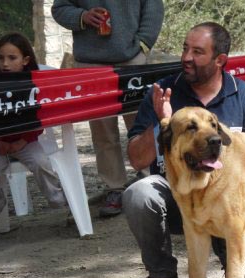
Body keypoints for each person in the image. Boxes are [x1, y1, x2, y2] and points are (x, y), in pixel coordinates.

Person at [123, 22, 245, 278]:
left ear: (220, 60)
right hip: (176, 196)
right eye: (185, 49)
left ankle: (234, 270)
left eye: (197, 51)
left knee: (234, 197)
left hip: (226, 202)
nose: (186, 58)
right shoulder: (163, 92)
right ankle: (162, 276)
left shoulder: (244, 96)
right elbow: (136, 159)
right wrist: (162, 121)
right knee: (138, 193)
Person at [51, 0, 164, 217]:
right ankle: (115, 188)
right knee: (103, 132)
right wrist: (81, 17)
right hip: (90, 63)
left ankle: (152, 180)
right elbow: (59, 8)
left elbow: (153, 8)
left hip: (132, 60)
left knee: (142, 125)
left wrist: (142, 46)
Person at [0, 32, 66, 219]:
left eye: (12, 58)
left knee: (41, 164)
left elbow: (40, 118)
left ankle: (59, 202)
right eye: (1, 58)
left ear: (25, 60)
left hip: (27, 143)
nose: (5, 64)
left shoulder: (33, 85)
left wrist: (23, 141)